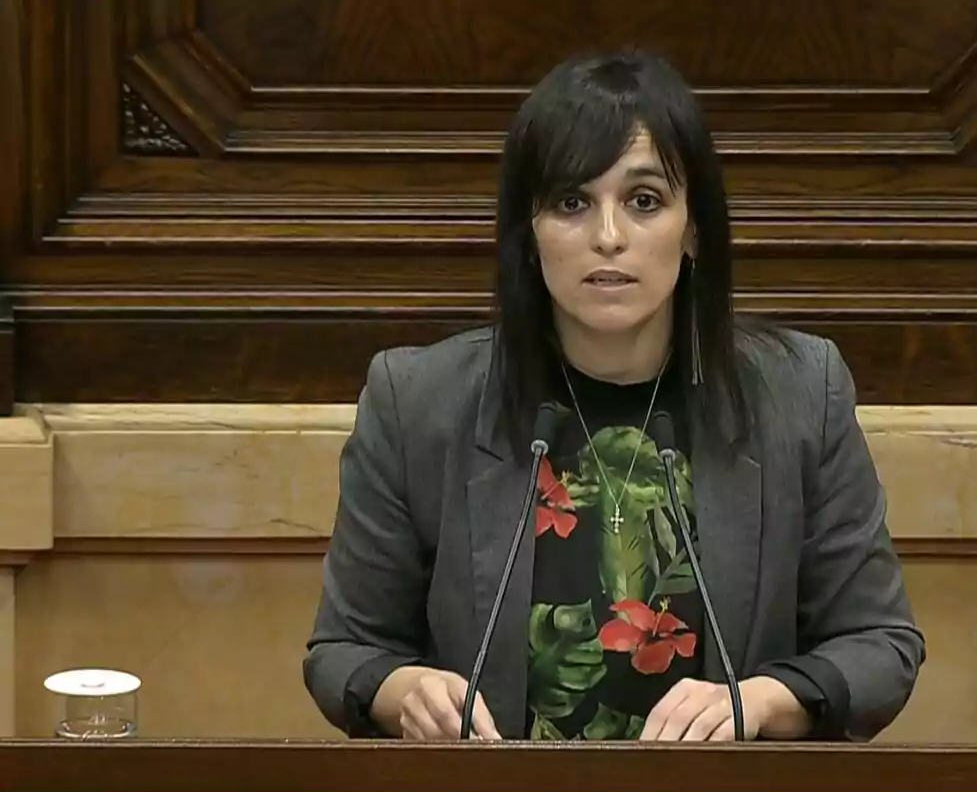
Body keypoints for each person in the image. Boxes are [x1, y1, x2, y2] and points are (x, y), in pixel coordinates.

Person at [303, 50, 925, 743]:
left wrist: (765, 700)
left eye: (644, 201)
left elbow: (880, 647)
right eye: (571, 202)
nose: (608, 237)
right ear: (528, 235)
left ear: (692, 228)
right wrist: (404, 690)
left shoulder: (802, 392)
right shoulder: (418, 401)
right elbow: (343, 652)